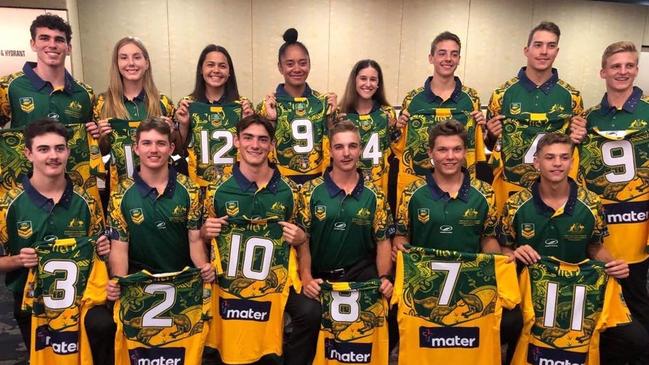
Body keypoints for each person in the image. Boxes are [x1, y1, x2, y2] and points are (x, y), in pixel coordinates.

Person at [499, 132, 648, 364]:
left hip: (580, 291)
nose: (557, 163)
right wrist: (514, 253)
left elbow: (594, 246)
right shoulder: (515, 204)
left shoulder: (591, 203)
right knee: (506, 324)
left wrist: (613, 265)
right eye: (549, 157)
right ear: (537, 162)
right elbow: (503, 248)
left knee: (636, 339)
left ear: (571, 161)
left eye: (563, 157)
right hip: (531, 295)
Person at [393, 119, 521, 363]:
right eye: (442, 150)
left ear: (465, 153)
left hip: (469, 286)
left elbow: (488, 240)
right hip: (426, 287)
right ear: (430, 152)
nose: (449, 156)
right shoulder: (412, 193)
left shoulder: (484, 192)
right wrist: (399, 246)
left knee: (511, 320)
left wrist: (500, 260)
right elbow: (401, 236)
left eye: (456, 149)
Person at [0, 119, 113, 364]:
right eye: (44, 149)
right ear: (28, 154)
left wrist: (103, 249)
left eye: (59, 148)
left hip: (82, 299)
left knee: (103, 327)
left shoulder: (86, 200)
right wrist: (18, 260)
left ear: (68, 152)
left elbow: (100, 252)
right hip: (32, 302)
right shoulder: (7, 203)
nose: (53, 156)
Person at [284, 120, 394, 365]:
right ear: (330, 150)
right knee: (310, 316)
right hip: (321, 274)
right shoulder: (310, 191)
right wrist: (307, 278)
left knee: (392, 308)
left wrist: (385, 278)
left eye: (352, 146)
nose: (346, 153)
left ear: (360, 149)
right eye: (340, 146)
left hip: (360, 273)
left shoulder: (375, 194)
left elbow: (383, 241)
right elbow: (303, 241)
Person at [200, 114, 306, 364]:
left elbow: (304, 237)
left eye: (262, 140)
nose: (255, 145)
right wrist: (207, 232)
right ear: (237, 141)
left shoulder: (290, 190)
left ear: (271, 145)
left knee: (309, 313)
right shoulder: (217, 189)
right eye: (248, 138)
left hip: (275, 282)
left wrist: (301, 238)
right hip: (229, 282)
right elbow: (200, 236)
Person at [571, 41, 649, 351]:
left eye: (629, 65)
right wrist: (573, 139)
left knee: (637, 307)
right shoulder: (587, 119)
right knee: (599, 309)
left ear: (637, 70)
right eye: (616, 66)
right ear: (603, 72)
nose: (623, 71)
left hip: (638, 227)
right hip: (600, 231)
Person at [106, 118, 214, 297]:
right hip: (140, 283)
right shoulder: (120, 194)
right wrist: (118, 282)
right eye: (146, 143)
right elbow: (119, 248)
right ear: (136, 148)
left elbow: (195, 241)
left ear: (171, 148)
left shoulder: (190, 189)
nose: (154, 150)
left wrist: (204, 269)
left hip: (182, 279)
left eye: (161, 143)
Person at [485, 21, 583, 213]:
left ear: (557, 51)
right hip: (511, 187)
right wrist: (491, 135)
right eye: (538, 45)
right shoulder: (501, 95)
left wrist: (579, 137)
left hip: (554, 192)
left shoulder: (572, 97)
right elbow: (489, 146)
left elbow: (575, 148)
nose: (544, 51)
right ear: (526, 50)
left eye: (551, 45)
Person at [394, 31, 486, 207]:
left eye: (454, 54)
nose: (448, 59)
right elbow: (397, 146)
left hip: (458, 187)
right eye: (442, 53)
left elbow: (479, 146)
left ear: (459, 59)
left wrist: (484, 127)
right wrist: (397, 128)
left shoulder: (471, 99)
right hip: (419, 184)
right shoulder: (412, 99)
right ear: (431, 58)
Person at [258, 28, 337, 185]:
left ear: (309, 65)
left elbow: (335, 144)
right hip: (279, 183)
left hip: (317, 182)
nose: (297, 69)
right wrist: (270, 120)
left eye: (302, 63)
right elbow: (260, 149)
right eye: (290, 64)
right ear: (280, 67)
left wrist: (332, 117)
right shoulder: (269, 105)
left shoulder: (322, 102)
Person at [173, 44, 254, 187]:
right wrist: (184, 125)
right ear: (201, 69)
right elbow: (179, 151)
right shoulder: (187, 104)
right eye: (210, 65)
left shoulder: (242, 105)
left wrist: (248, 123)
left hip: (235, 186)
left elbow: (252, 148)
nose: (216, 70)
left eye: (222, 66)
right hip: (198, 184)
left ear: (229, 72)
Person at [91, 36, 176, 155]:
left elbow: (176, 150)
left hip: (157, 173)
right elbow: (97, 154)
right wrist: (100, 138)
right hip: (116, 173)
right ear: (117, 64)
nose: (131, 63)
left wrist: (172, 134)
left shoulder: (164, 103)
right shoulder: (101, 103)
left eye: (137, 57)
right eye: (124, 58)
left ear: (146, 63)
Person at [338, 59, 397, 196]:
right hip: (347, 187)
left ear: (378, 84)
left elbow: (395, 152)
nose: (368, 84)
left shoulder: (387, 113)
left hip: (378, 187)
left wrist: (396, 129)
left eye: (373, 79)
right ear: (354, 81)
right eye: (363, 78)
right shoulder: (341, 114)